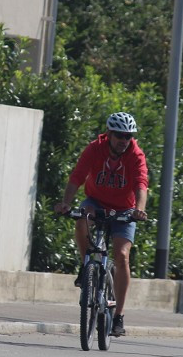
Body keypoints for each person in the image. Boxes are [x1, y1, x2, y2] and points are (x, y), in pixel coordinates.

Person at [53, 112, 149, 338]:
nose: (123, 140)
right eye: (119, 135)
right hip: (95, 203)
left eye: (128, 136)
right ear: (109, 134)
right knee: (80, 219)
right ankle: (86, 265)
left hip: (125, 209)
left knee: (122, 255)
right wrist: (66, 203)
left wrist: (140, 209)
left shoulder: (135, 154)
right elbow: (77, 177)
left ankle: (118, 317)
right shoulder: (94, 148)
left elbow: (141, 184)